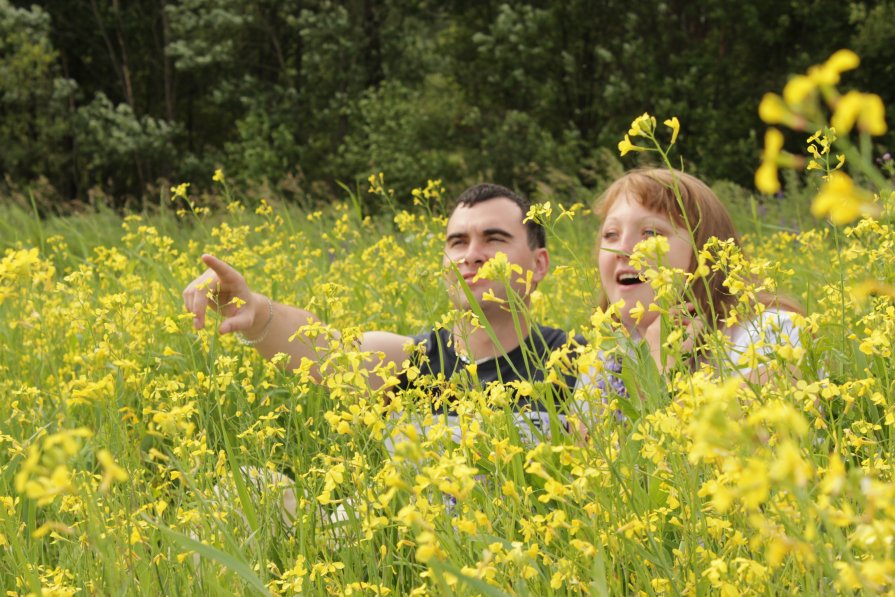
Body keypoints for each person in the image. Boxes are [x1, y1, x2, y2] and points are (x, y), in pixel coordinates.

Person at [183, 183, 579, 431]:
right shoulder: (411, 359)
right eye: (457, 242)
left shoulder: (579, 364)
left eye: (494, 239)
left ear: (539, 264)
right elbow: (326, 351)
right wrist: (254, 309)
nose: (471, 255)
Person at [580, 168, 803, 392]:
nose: (623, 249)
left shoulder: (770, 333)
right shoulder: (605, 358)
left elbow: (769, 425)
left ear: (704, 249)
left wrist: (663, 372)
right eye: (610, 234)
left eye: (650, 232)